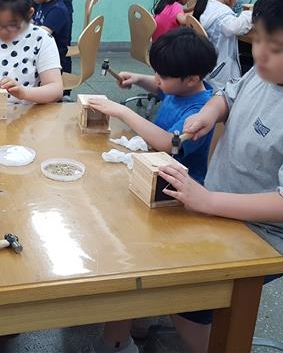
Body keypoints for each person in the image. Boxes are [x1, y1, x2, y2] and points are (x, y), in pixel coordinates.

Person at [159, 0, 283, 353]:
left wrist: (208, 202)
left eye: (274, 48)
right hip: (219, 204)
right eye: (257, 39)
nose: (259, 53)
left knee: (181, 289)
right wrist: (209, 114)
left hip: (267, 235)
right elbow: (227, 96)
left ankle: (210, 336)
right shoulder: (267, 72)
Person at [81, 28, 217, 353]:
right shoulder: (183, 87)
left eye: (162, 75)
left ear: (191, 79)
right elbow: (162, 87)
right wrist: (141, 79)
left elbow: (168, 144)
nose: (157, 79)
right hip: (153, 170)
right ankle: (134, 315)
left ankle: (123, 324)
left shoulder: (199, 112)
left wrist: (123, 111)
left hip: (177, 193)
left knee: (122, 238)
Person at [18, 0, 72, 96]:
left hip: (50, 66)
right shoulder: (41, 2)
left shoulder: (58, 10)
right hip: (37, 58)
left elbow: (37, 37)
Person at [193, 0, 252, 89]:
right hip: (218, 78)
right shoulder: (221, 13)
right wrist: (251, 14)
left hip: (206, 70)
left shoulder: (207, 4)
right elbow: (233, 28)